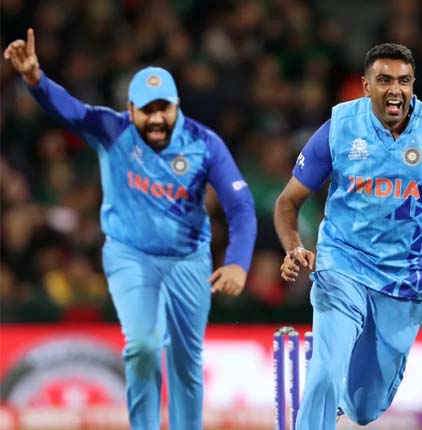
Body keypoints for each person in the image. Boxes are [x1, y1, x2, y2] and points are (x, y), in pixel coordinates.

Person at [4, 29, 257, 430]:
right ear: (130, 108)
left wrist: (238, 262)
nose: (156, 118)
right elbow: (70, 110)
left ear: (177, 106)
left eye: (163, 108)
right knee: (142, 345)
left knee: (186, 360)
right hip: (130, 255)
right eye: (146, 110)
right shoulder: (112, 129)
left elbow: (240, 206)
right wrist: (37, 80)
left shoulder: (204, 143)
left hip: (189, 260)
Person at [274, 43, 422, 429]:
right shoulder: (340, 127)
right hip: (343, 264)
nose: (395, 90)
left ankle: (335, 382)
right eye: (384, 80)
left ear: (413, 84)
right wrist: (294, 246)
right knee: (325, 371)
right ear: (366, 86)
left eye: (404, 81)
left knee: (365, 409)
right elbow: (287, 202)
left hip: (407, 280)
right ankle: (323, 376)